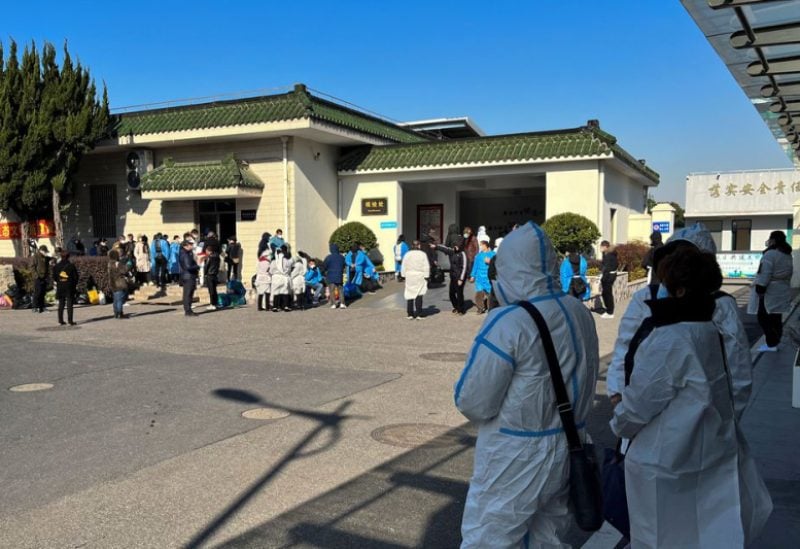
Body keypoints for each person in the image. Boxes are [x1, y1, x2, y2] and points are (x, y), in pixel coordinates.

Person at [610, 247, 772, 548]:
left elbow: (639, 405)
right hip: (708, 451)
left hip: (662, 463)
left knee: (661, 536)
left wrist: (619, 418)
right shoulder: (709, 329)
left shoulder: (671, 338)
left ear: (680, 290)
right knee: (705, 533)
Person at [455, 222, 599, 548]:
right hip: (569, 445)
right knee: (548, 538)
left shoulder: (509, 322)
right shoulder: (579, 312)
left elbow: (473, 401)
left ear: (509, 267)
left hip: (514, 456)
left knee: (489, 539)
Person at [607, 223, 754, 419]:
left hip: (701, 422)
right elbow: (624, 348)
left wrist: (725, 422)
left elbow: (738, 370)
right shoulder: (645, 298)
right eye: (672, 257)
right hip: (643, 417)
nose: (678, 265)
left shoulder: (722, 306)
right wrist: (618, 394)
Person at [749, 230, 794, 352]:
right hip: (782, 289)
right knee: (776, 317)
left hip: (770, 291)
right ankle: (775, 341)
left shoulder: (770, 254)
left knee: (763, 317)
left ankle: (771, 343)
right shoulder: (787, 254)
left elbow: (765, 273)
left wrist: (760, 287)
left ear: (773, 240)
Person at [435, 237, 468, 314]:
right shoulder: (452, 252)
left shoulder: (463, 254)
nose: (455, 247)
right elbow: (444, 249)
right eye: (454, 245)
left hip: (460, 277)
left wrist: (461, 279)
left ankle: (461, 309)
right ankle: (456, 306)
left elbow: (464, 267)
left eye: (457, 246)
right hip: (453, 276)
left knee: (459, 293)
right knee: (451, 293)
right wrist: (436, 246)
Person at [401, 240, 429, 320]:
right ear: (419, 245)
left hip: (409, 276)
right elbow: (426, 266)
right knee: (419, 294)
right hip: (419, 276)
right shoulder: (422, 254)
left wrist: (403, 275)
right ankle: (419, 314)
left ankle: (410, 314)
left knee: (409, 294)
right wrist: (426, 276)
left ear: (412, 245)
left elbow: (404, 265)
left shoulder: (407, 254)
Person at [53, 247, 79, 326]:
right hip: (69, 286)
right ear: (68, 256)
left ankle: (60, 320)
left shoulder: (56, 266)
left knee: (61, 303)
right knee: (69, 304)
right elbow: (76, 277)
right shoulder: (71, 266)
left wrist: (59, 281)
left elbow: (54, 277)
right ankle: (70, 321)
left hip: (60, 286)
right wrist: (74, 284)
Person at [470, 240, 495, 314]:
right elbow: (475, 266)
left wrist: (490, 261)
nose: (480, 247)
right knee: (479, 294)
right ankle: (480, 308)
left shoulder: (493, 254)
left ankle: (491, 309)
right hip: (479, 278)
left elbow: (499, 263)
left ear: (485, 245)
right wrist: (472, 276)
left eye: (481, 245)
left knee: (490, 295)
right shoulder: (478, 256)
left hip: (489, 277)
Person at [107, 250, 130, 319]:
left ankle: (116, 313)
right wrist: (128, 265)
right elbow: (124, 271)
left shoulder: (109, 264)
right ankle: (120, 313)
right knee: (120, 299)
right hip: (119, 282)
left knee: (115, 299)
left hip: (112, 282)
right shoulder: (117, 263)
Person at [179, 240, 199, 317]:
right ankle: (188, 311)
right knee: (188, 294)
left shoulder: (186, 253)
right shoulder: (185, 254)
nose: (191, 246)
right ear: (185, 246)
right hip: (188, 276)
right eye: (190, 244)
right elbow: (188, 267)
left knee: (188, 293)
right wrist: (197, 266)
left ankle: (188, 310)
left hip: (187, 276)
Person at [323, 243, 346, 309]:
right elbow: (344, 265)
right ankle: (342, 303)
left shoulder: (328, 257)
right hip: (339, 275)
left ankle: (333, 304)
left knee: (332, 290)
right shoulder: (341, 257)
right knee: (340, 290)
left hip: (331, 275)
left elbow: (324, 266)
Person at [270, 245, 292, 312]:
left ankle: (275, 307)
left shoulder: (274, 261)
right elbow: (289, 269)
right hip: (284, 277)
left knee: (276, 292)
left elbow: (271, 270)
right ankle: (285, 306)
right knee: (285, 292)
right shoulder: (286, 260)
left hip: (276, 277)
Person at [599, 240, 618, 319]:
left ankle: (610, 312)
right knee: (605, 293)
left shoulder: (609, 255)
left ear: (605, 247)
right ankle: (609, 310)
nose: (600, 248)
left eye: (601, 247)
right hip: (609, 275)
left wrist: (602, 276)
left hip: (609, 276)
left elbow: (606, 267)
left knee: (607, 293)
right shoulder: (607, 254)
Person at [32, 245, 51, 313]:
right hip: (38, 278)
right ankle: (35, 307)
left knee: (43, 293)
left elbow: (48, 265)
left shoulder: (45, 257)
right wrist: (36, 275)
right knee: (37, 292)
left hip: (44, 277)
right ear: (41, 250)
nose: (45, 253)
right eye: (45, 251)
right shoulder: (35, 256)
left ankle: (42, 307)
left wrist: (47, 276)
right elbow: (32, 267)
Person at [204, 237, 221, 311]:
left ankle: (212, 304)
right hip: (215, 275)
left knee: (211, 291)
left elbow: (206, 267)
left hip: (209, 275)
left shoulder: (210, 257)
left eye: (206, 251)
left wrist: (204, 273)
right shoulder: (217, 257)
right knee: (215, 290)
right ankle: (216, 303)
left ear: (209, 251)